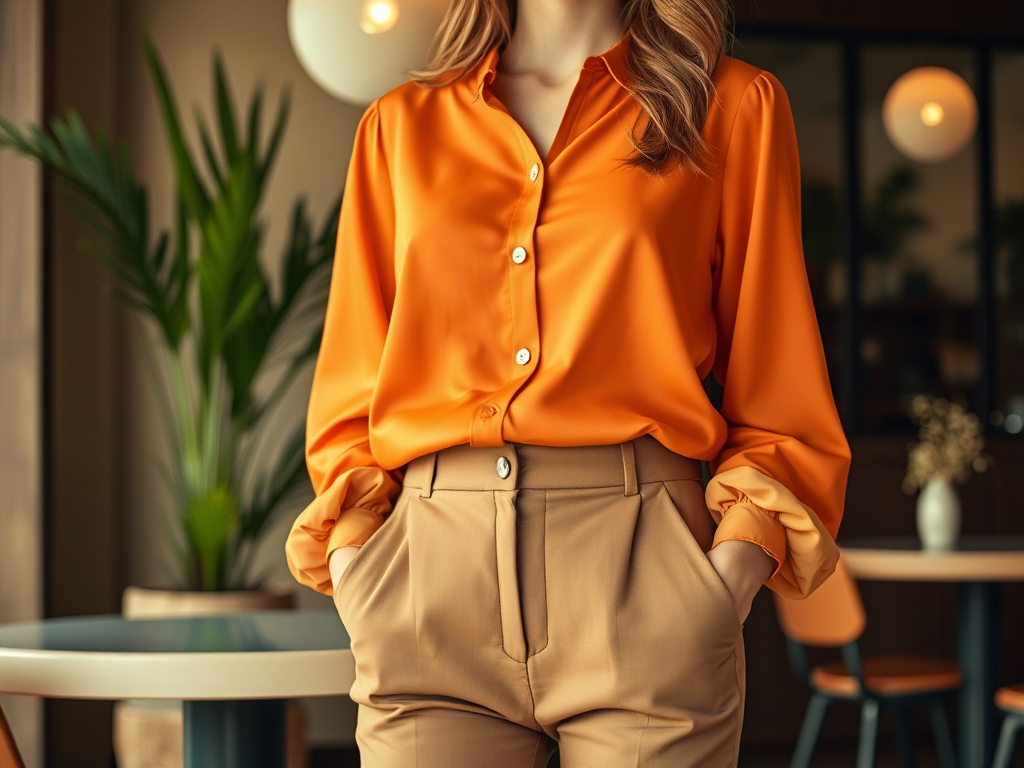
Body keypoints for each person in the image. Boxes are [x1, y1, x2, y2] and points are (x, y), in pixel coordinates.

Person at [285, 0, 852, 765]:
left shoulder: (732, 108)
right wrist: (359, 566)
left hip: (646, 575)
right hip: (426, 582)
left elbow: (780, 388)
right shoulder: (399, 126)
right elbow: (350, 394)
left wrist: (727, 577)